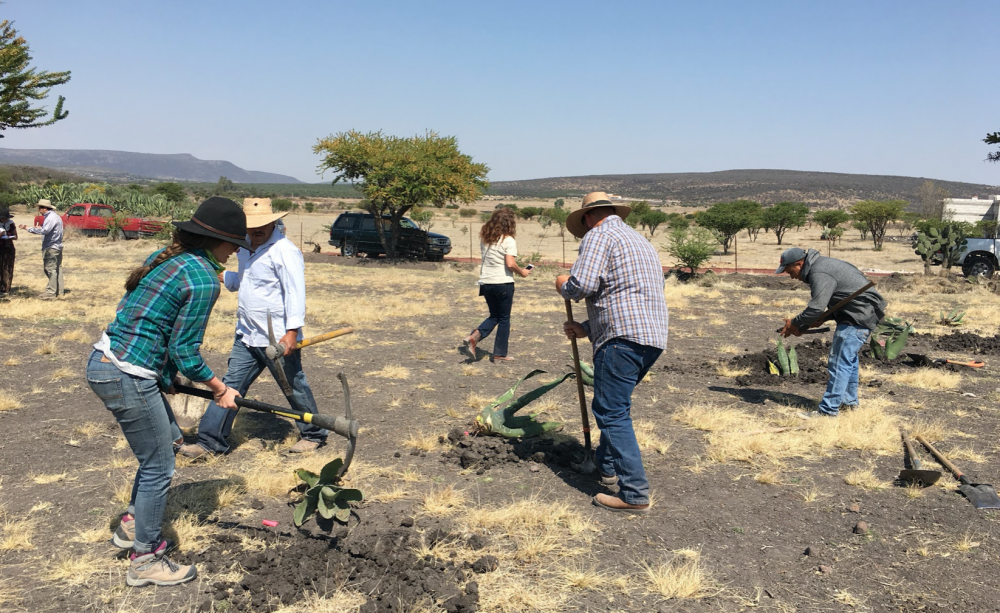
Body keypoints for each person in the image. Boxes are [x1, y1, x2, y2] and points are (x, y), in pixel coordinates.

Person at [85, 197, 247, 587]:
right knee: (160, 466)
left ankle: (130, 524)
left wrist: (164, 376)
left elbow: (145, 319)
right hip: (128, 373)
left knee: (165, 446)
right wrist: (220, 388)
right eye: (235, 244)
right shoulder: (204, 279)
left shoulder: (166, 255)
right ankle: (145, 560)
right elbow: (185, 352)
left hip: (107, 361)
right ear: (218, 241)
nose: (236, 252)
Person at [180, 198, 328, 458]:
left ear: (273, 221)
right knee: (228, 386)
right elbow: (244, 282)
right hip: (247, 335)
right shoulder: (245, 249)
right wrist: (221, 275)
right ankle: (210, 443)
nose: (256, 229)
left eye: (262, 224)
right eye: (250, 225)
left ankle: (313, 434)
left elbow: (295, 294)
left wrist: (291, 332)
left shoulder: (284, 251)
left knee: (293, 386)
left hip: (276, 339)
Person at [555, 192, 669, 515]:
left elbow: (583, 284)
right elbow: (630, 297)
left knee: (611, 412)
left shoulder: (598, 236)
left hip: (620, 339)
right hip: (652, 337)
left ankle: (634, 492)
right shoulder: (640, 242)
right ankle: (605, 467)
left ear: (589, 217)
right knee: (616, 405)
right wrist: (588, 329)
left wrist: (563, 284)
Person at [777, 247, 886, 417]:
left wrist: (795, 323)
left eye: (789, 271)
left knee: (839, 363)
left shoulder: (819, 272)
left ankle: (828, 411)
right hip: (860, 316)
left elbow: (815, 308)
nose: (791, 276)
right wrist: (823, 319)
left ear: (799, 264)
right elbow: (844, 296)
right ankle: (848, 404)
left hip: (856, 318)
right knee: (848, 361)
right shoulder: (823, 265)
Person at [463, 207, 532, 363]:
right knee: (504, 319)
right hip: (503, 283)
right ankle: (500, 353)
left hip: (486, 283)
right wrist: (522, 272)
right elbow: (510, 263)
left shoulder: (485, 239)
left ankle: (474, 337)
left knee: (494, 316)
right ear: (510, 223)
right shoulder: (508, 240)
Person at [19, 199, 63, 299]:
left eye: (40, 208)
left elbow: (45, 231)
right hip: (57, 246)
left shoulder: (51, 218)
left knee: (50, 269)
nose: (39, 210)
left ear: (45, 208)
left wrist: (28, 228)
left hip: (51, 246)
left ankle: (51, 292)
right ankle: (59, 291)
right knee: (57, 268)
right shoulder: (55, 217)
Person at [0, 208, 16, 296]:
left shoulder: (11, 224)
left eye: (5, 218)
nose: (4, 220)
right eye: (2, 218)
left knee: (7, 268)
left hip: (8, 247)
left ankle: (6, 288)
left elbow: (16, 237)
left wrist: (9, 236)